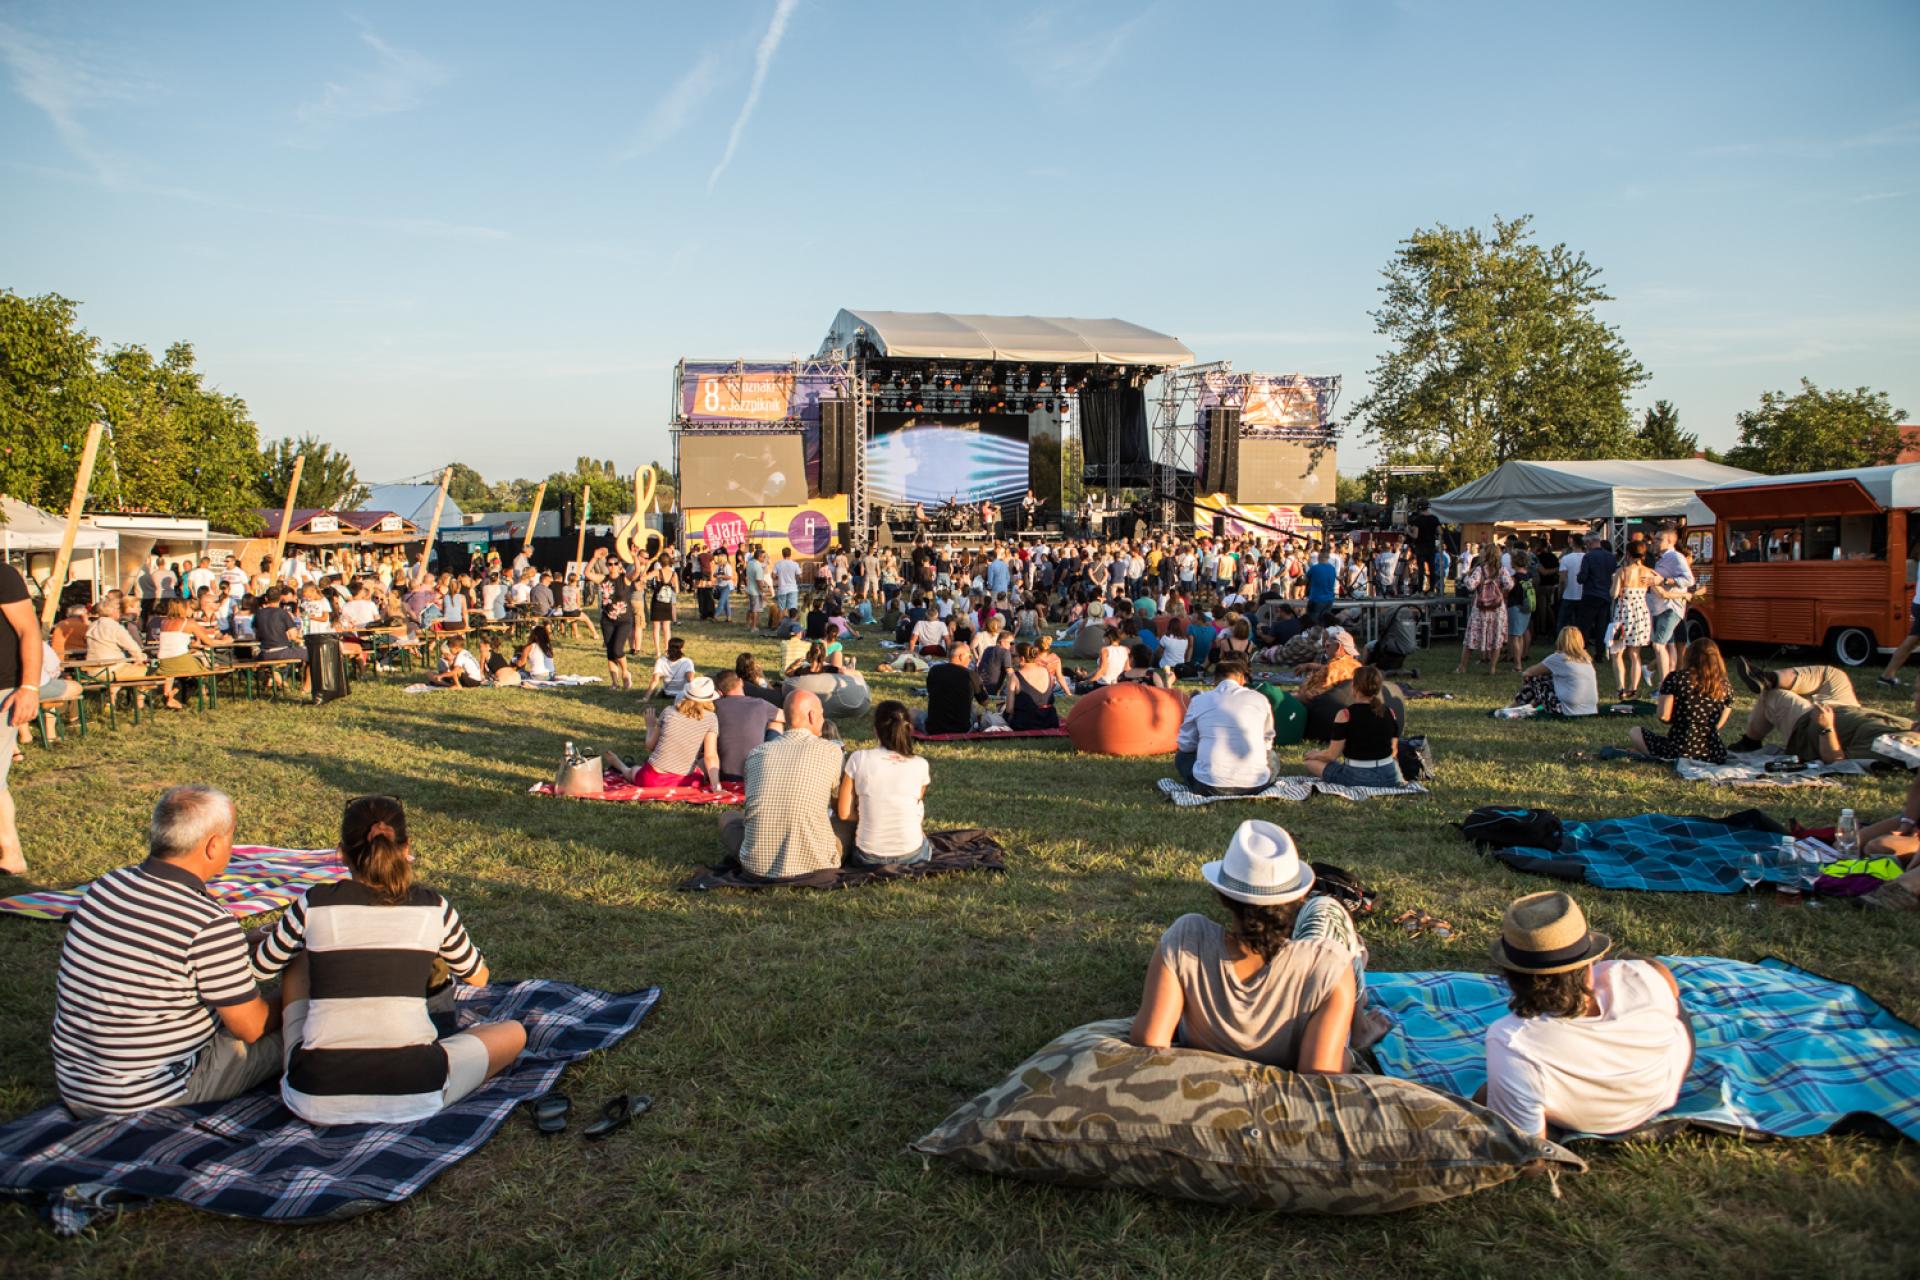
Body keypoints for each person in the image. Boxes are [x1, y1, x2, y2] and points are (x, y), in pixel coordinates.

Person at [253, 795, 525, 1125]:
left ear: (342, 852)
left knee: (296, 958)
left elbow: (261, 966)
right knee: (513, 1033)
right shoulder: (432, 907)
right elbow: (478, 977)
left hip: (315, 1095)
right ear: (406, 845)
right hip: (414, 1090)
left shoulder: (314, 903)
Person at [51, 786, 282, 1114]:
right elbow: (252, 1027)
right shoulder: (207, 923)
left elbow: (162, 950)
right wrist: (300, 990)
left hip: (78, 1084)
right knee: (302, 1026)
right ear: (214, 845)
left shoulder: (106, 886)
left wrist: (244, 940)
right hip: (150, 1095)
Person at [1129, 820, 1356, 1071]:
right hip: (1320, 967)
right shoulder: (1328, 966)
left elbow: (1150, 1042)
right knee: (1327, 910)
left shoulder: (1187, 940)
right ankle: (1362, 1019)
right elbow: (1320, 1073)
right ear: (1300, 897)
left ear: (1223, 897)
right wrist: (1351, 1056)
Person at [1479, 891, 1691, 1139]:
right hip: (1661, 1089)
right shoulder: (1638, 976)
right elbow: (1667, 984)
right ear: (1591, 960)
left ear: (1510, 975)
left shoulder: (1512, 1041)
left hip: (1591, 1119)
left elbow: (1531, 1153)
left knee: (1493, 1093)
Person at [719, 689, 853, 878]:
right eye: (822, 714)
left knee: (729, 818)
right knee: (848, 821)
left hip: (756, 866)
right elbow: (840, 807)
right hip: (818, 863)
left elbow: (751, 804)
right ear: (812, 716)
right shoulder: (831, 751)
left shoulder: (757, 754)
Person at [836, 700, 933, 867]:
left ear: (876, 730)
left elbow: (844, 813)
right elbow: (914, 802)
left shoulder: (859, 759)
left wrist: (869, 813)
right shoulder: (920, 764)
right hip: (913, 855)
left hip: (868, 857)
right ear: (909, 729)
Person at [1174, 659, 1275, 795]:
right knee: (1272, 757)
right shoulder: (1260, 699)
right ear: (1241, 679)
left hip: (1208, 785)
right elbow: (1267, 741)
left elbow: (1186, 745)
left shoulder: (1199, 701)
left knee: (1182, 757)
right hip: (1256, 785)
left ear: (1215, 681)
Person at [1630, 637, 1733, 763]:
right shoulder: (1725, 686)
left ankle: (1656, 756)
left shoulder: (1676, 678)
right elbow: (1718, 724)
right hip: (1713, 751)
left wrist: (1681, 719)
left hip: (1680, 748)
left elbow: (1664, 716)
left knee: (1635, 732)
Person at [1301, 664, 1406, 787]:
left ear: (1354, 687)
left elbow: (1331, 755)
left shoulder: (1345, 715)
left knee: (1310, 762)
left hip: (1357, 776)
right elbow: (1393, 752)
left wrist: (1315, 754)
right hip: (1389, 775)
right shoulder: (1390, 712)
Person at [611, 676, 722, 789]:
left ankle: (622, 767)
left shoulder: (669, 711)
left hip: (651, 779)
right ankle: (622, 766)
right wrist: (716, 787)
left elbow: (650, 746)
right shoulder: (711, 718)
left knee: (634, 771)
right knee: (702, 761)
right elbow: (710, 756)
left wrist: (650, 726)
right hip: (684, 782)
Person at [154, 598, 229, 710]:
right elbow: (209, 641)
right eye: (189, 608)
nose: (192, 611)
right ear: (183, 609)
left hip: (164, 661)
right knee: (204, 674)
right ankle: (174, 694)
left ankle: (168, 694)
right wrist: (226, 641)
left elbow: (173, 641)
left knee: (173, 674)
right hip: (181, 659)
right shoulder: (189, 623)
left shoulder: (164, 622)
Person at [714, 670, 782, 783]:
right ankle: (773, 761)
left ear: (720, 692)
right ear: (741, 682)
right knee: (776, 721)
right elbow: (787, 716)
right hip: (758, 774)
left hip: (724, 774)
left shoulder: (715, 707)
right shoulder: (760, 704)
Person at [1514, 627, 1600, 716]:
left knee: (1535, 680)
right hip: (1590, 709)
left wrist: (1526, 678)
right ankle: (1531, 704)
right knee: (1549, 679)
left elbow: (1528, 672)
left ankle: (1516, 706)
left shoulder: (1559, 658)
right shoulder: (1586, 660)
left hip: (1567, 709)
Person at [1457, 548, 1511, 675]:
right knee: (1496, 639)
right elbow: (1509, 585)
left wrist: (1465, 577)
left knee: (1472, 638)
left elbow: (1470, 585)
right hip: (1497, 609)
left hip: (1480, 609)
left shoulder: (1480, 570)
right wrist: (1500, 590)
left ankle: (1463, 667)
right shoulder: (1502, 570)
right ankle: (1492, 668)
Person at [921, 641, 989, 734]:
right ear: (961, 656)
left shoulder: (934, 670)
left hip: (934, 728)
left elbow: (931, 693)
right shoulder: (970, 674)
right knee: (974, 710)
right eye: (970, 656)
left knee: (913, 712)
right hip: (962, 729)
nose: (970, 659)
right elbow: (985, 702)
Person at [1001, 641, 1062, 730]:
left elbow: (1009, 709)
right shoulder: (1046, 671)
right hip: (1049, 720)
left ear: (1022, 659)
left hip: (1025, 723)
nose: (1011, 659)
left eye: (1014, 656)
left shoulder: (1015, 677)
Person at [1574, 533, 1618, 656]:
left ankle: (1582, 649)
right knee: (1601, 624)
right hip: (1605, 594)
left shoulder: (1588, 557)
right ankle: (1600, 652)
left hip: (1591, 593)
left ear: (1589, 543)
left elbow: (1582, 578)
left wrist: (1579, 576)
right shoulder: (1611, 557)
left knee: (1585, 625)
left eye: (1586, 544)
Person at [602, 566, 637, 689]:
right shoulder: (604, 579)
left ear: (619, 566)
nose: (612, 566)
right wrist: (595, 558)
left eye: (615, 563)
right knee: (610, 651)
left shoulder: (625, 579)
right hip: (607, 620)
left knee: (617, 649)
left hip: (624, 620)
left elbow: (637, 572)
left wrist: (634, 557)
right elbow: (587, 573)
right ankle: (614, 682)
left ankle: (626, 673)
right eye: (609, 564)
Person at [645, 554, 678, 657]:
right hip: (667, 602)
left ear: (660, 562)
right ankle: (667, 649)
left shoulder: (657, 572)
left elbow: (643, 577)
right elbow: (677, 590)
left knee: (656, 627)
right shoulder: (674, 574)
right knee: (667, 628)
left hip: (657, 601)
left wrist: (648, 565)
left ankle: (657, 651)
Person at [645, 636, 697, 700]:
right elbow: (690, 679)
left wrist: (645, 698)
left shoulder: (661, 661)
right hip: (683, 695)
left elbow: (655, 681)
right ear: (681, 649)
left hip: (668, 694)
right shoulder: (687, 661)